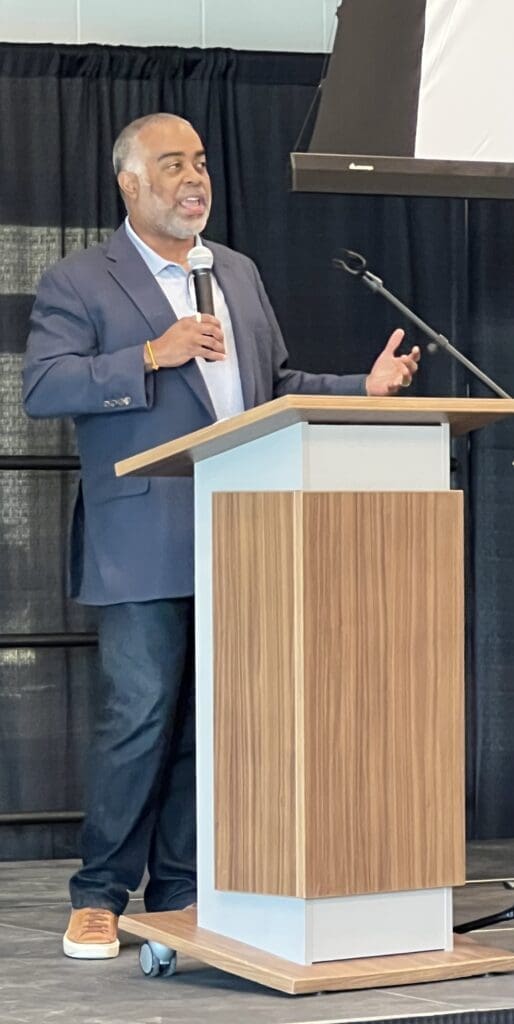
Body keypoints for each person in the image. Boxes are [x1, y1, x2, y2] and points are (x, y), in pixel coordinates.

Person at [22, 112, 420, 960]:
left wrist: (365, 387)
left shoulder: (234, 271)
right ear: (131, 183)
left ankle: (182, 891)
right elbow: (44, 387)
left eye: (200, 162)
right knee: (140, 717)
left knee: (216, 723)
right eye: (173, 165)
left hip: (247, 529)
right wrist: (151, 355)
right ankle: (99, 894)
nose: (195, 178)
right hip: (142, 538)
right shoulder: (80, 279)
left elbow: (271, 387)